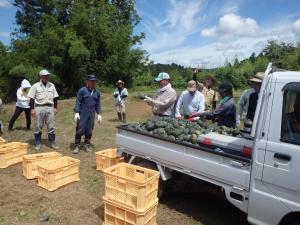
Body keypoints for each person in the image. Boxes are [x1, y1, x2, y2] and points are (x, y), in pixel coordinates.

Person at [27, 69, 59, 150]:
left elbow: (55, 97)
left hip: (50, 107)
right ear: (41, 77)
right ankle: (38, 143)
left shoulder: (52, 85)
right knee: (38, 126)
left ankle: (52, 142)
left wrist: (55, 107)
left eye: (48, 75)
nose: (47, 77)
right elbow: (31, 99)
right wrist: (32, 109)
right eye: (45, 76)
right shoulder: (35, 86)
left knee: (51, 126)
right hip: (39, 107)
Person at [73, 74, 101, 154]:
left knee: (89, 130)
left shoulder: (97, 93)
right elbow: (78, 101)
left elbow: (98, 104)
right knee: (80, 129)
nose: (93, 82)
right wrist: (77, 112)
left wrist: (98, 114)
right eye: (91, 81)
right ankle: (77, 146)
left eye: (94, 81)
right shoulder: (82, 90)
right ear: (87, 81)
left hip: (91, 113)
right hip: (83, 113)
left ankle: (87, 145)